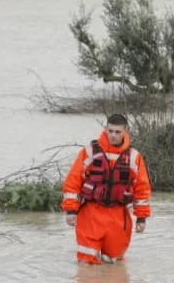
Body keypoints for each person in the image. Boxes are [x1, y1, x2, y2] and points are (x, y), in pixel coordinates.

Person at [61, 113, 152, 264]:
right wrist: (70, 210)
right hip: (91, 214)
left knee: (114, 264)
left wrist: (141, 218)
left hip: (118, 216)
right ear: (105, 129)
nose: (113, 135)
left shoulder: (134, 157)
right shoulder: (90, 152)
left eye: (117, 132)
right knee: (87, 263)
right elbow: (73, 182)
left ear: (125, 131)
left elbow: (142, 189)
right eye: (110, 131)